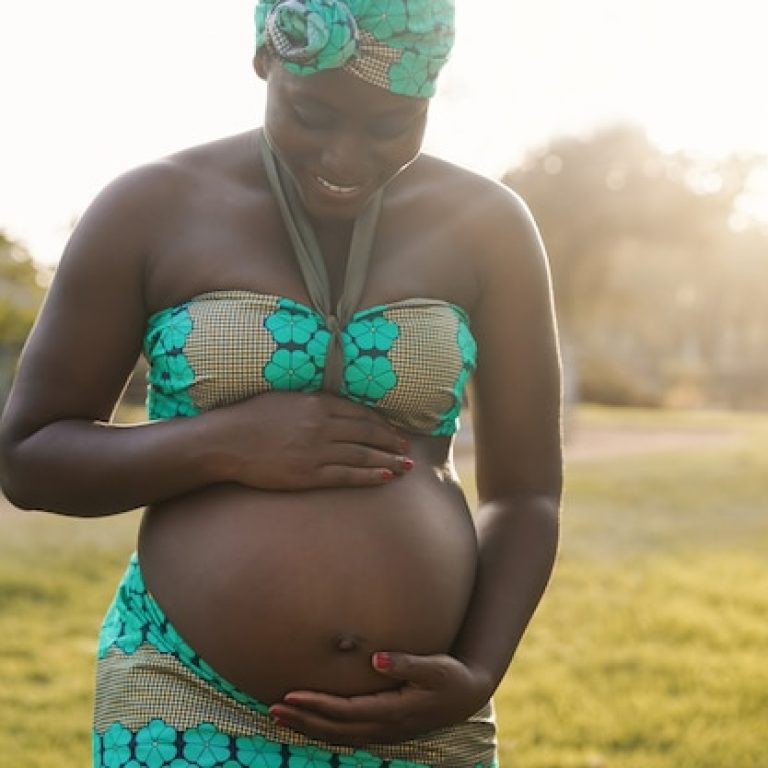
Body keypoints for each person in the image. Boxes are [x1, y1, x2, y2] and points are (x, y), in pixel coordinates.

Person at [0, 1, 562, 766]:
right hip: (184, 702)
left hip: (420, 717)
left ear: (431, 93)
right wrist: (220, 444)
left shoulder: (489, 224)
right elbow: (29, 458)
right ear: (267, 62)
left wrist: (476, 671)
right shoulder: (152, 207)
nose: (346, 156)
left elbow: (525, 493)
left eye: (389, 125)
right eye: (313, 114)